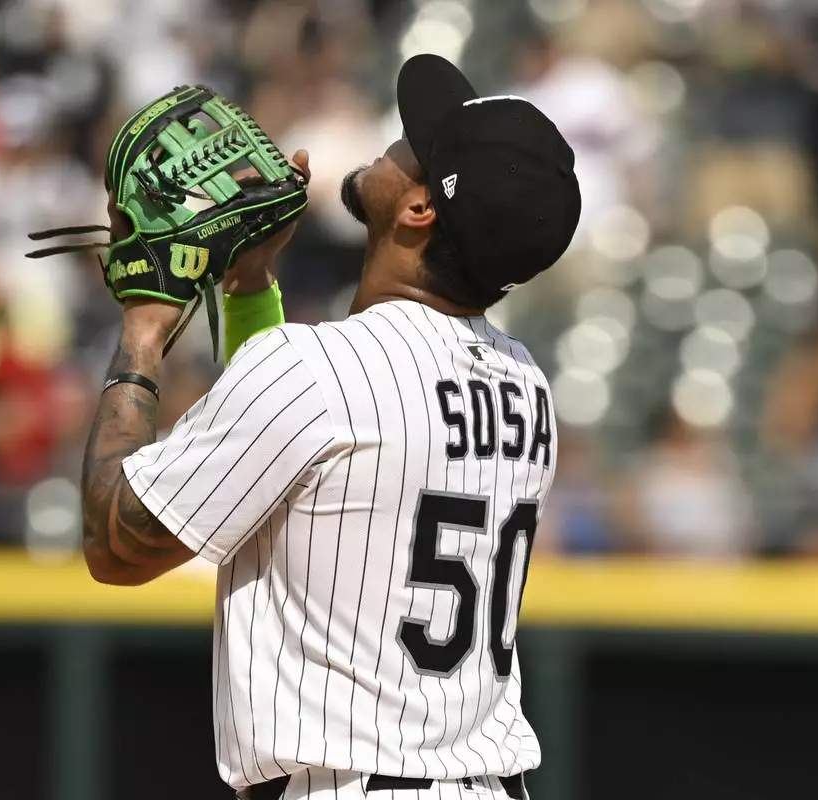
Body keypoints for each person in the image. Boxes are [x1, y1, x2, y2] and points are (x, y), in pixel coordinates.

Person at [78, 54, 581, 800]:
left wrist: (144, 329)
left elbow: (115, 544)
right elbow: (279, 454)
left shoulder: (316, 372)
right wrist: (251, 284)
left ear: (419, 209)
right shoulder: (526, 384)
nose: (394, 140)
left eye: (414, 144)